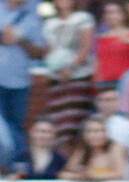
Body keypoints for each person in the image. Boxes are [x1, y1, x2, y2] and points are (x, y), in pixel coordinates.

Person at [41, 0, 96, 147]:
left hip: (78, 76)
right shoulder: (49, 23)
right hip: (56, 77)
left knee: (74, 122)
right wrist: (56, 67)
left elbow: (85, 46)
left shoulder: (83, 18)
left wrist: (70, 67)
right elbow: (49, 49)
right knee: (58, 121)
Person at [0, 0, 46, 172]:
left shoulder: (33, 16)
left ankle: (16, 168)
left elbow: (38, 52)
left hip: (20, 82)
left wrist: (20, 39)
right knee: (3, 131)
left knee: (17, 128)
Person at [58, 115, 127, 180]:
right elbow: (64, 174)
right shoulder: (82, 151)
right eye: (90, 131)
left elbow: (120, 174)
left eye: (98, 131)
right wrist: (77, 176)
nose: (94, 135)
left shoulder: (114, 148)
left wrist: (93, 176)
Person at [95, 1, 129, 86]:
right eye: (107, 13)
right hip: (105, 82)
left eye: (113, 12)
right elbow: (98, 60)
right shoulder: (101, 37)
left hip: (127, 81)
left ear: (123, 15)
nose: (110, 16)